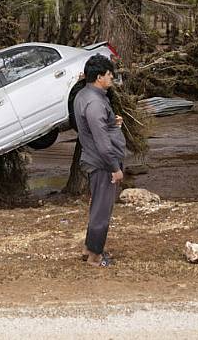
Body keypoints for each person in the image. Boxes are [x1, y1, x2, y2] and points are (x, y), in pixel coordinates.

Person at [73, 54, 125, 267]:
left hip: (96, 159)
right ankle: (95, 256)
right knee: (102, 210)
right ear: (99, 77)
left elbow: (96, 126)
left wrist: (113, 122)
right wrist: (115, 167)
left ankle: (89, 248)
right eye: (108, 73)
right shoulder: (94, 102)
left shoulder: (85, 95)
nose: (111, 77)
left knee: (97, 207)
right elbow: (102, 141)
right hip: (102, 163)